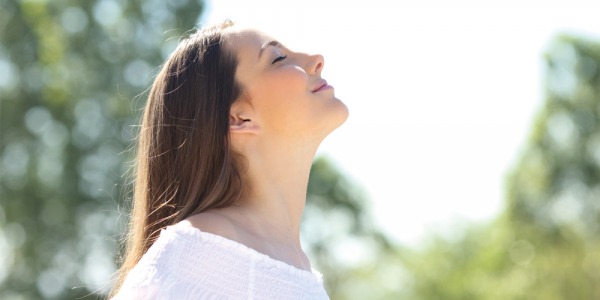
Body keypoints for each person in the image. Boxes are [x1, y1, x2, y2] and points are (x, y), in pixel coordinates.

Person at [110, 20, 348, 299]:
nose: (316, 60)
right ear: (238, 119)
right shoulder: (200, 251)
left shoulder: (295, 267)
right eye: (278, 58)